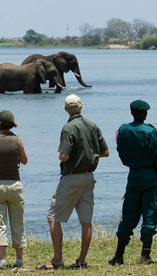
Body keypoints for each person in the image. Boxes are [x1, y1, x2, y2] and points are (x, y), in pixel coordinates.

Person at [40, 94, 109, 270]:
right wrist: (90, 154)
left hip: (71, 177)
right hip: (88, 177)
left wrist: (65, 157)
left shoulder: (68, 127)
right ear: (81, 107)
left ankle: (57, 260)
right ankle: (82, 260)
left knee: (53, 217)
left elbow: (64, 156)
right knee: (86, 220)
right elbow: (105, 152)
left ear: (65, 109)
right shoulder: (92, 125)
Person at [108, 100, 157, 265]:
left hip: (133, 176)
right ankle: (145, 256)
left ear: (132, 112)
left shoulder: (122, 130)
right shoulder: (150, 131)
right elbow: (156, 159)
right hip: (150, 176)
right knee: (150, 214)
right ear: (143, 113)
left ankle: (119, 255)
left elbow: (121, 151)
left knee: (129, 214)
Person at [0, 110, 28, 269]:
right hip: (15, 184)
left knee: (0, 224)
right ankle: (19, 259)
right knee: (18, 223)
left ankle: (2, 260)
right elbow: (24, 161)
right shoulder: (18, 140)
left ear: (0, 124)